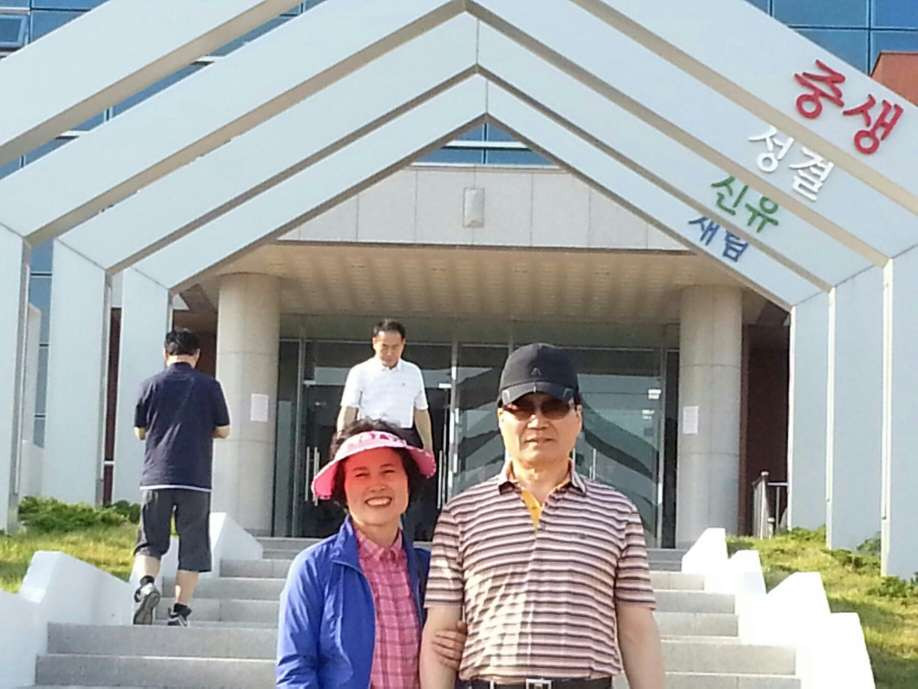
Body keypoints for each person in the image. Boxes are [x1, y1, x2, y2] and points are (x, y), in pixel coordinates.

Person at [419, 343, 665, 689]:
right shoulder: (461, 514)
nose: (537, 421)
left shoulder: (618, 513)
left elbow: (637, 628)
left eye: (554, 406)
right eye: (521, 408)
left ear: (578, 417)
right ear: (501, 418)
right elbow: (440, 634)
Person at [276, 419, 466, 689]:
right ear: (342, 488)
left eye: (388, 471)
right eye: (361, 475)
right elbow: (295, 671)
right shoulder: (314, 568)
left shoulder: (433, 568)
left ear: (408, 481)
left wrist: (463, 648)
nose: (376, 485)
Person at [131, 328, 231, 627]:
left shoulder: (150, 385)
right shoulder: (209, 386)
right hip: (195, 478)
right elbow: (224, 430)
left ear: (166, 353)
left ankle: (147, 585)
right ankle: (179, 611)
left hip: (156, 475)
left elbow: (139, 431)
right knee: (192, 547)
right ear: (197, 355)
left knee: (150, 540)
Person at [337, 319, 433, 451]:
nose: (389, 353)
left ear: (403, 344)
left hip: (402, 436)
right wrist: (341, 442)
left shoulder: (413, 372)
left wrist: (428, 445)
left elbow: (421, 411)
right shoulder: (360, 371)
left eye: (395, 347)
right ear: (374, 343)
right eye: (384, 347)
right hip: (370, 436)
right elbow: (349, 409)